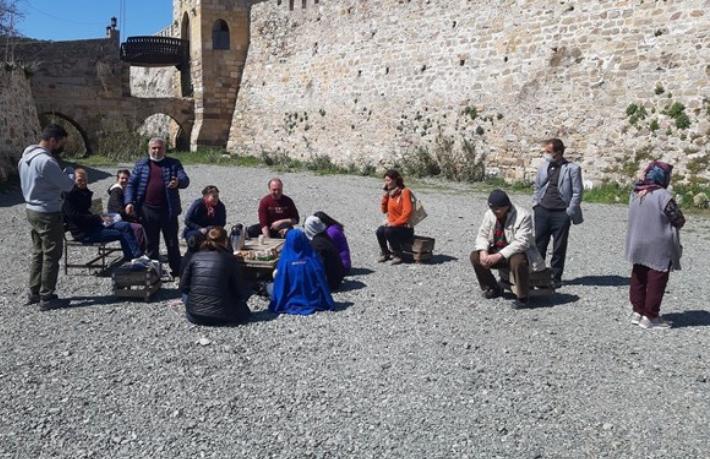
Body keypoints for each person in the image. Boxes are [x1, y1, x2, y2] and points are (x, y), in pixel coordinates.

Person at [18, 124, 76, 310]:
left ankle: (34, 291)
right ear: (53, 141)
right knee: (52, 254)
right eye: (61, 143)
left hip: (31, 209)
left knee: (38, 252)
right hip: (48, 212)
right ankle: (47, 296)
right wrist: (70, 174)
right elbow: (67, 186)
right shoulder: (46, 162)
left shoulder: (24, 158)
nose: (61, 147)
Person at [625, 161, 684, 329]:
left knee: (638, 276)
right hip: (658, 243)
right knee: (656, 280)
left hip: (637, 241)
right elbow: (678, 219)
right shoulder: (663, 196)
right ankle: (650, 316)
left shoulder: (635, 193)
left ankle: (638, 311)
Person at [124, 138, 190, 278]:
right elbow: (131, 185)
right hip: (147, 210)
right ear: (149, 149)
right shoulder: (141, 164)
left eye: (159, 148)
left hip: (168, 210)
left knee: (172, 243)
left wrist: (178, 182)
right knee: (151, 244)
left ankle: (177, 271)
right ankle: (153, 273)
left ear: (164, 149)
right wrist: (129, 202)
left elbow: (185, 180)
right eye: (154, 148)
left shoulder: (173, 163)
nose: (156, 150)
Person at [470, 189, 546, 309]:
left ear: (507, 206)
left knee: (518, 261)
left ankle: (523, 297)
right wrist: (483, 252)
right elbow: (482, 235)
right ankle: (492, 287)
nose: (496, 212)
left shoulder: (523, 216)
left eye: (498, 209)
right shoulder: (489, 214)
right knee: (475, 256)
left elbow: (522, 242)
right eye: (493, 209)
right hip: (497, 249)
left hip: (517, 252)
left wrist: (498, 256)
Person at [532, 138, 584, 289]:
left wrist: (569, 211)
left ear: (558, 153)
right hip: (542, 210)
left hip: (561, 213)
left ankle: (556, 276)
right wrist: (536, 204)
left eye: (549, 152)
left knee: (559, 246)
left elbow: (577, 192)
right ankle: (537, 274)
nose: (546, 154)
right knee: (539, 244)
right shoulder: (543, 166)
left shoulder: (572, 169)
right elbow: (537, 186)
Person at [63, 168, 143, 261]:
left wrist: (102, 217)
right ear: (73, 181)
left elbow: (91, 211)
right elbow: (76, 217)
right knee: (121, 233)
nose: (83, 182)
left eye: (85, 180)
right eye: (80, 180)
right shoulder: (69, 196)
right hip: (83, 232)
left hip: (93, 225)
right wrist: (98, 218)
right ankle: (134, 258)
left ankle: (136, 257)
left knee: (125, 226)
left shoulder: (85, 192)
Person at [179, 227, 251, 326]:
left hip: (194, 315)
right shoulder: (229, 259)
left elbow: (183, 286)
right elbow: (239, 289)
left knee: (187, 295)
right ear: (225, 241)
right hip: (223, 316)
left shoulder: (195, 257)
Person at [269, 229, 335, 315]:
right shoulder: (313, 260)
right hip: (312, 299)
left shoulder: (285, 261)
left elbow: (280, 283)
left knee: (269, 286)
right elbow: (322, 280)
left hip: (289, 299)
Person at [376, 169, 414, 265]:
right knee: (379, 231)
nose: (386, 183)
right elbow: (384, 210)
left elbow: (408, 212)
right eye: (385, 180)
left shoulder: (405, 192)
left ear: (395, 180)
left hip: (405, 228)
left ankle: (398, 255)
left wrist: (394, 223)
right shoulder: (390, 193)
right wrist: (385, 195)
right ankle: (385, 253)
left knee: (389, 231)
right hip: (393, 226)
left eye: (388, 180)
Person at [107, 168, 145, 250]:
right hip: (115, 219)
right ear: (117, 179)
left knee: (147, 222)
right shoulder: (116, 191)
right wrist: (132, 215)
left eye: (126, 179)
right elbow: (117, 210)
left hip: (122, 217)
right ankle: (138, 253)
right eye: (122, 178)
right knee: (138, 227)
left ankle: (146, 250)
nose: (124, 180)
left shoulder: (125, 190)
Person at [304, 215, 345, 290]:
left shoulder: (317, 244)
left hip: (329, 283)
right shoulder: (325, 237)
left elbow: (317, 266)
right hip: (337, 278)